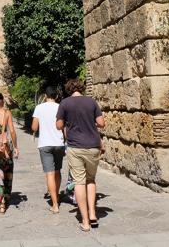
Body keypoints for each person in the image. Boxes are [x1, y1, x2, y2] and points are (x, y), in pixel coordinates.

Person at [56, 78, 105, 231]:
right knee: (91, 180)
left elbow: (59, 125)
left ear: (69, 89)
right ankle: (93, 214)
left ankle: (85, 221)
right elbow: (101, 123)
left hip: (75, 147)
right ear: (81, 88)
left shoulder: (65, 103)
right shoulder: (91, 102)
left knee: (79, 182)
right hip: (93, 146)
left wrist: (67, 121)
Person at [31, 86, 66, 214]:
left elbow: (34, 127)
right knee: (57, 171)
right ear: (56, 96)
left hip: (45, 144)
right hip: (59, 142)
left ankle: (55, 204)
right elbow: (64, 126)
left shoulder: (39, 108)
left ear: (45, 96)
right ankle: (56, 195)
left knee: (49, 174)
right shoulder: (60, 107)